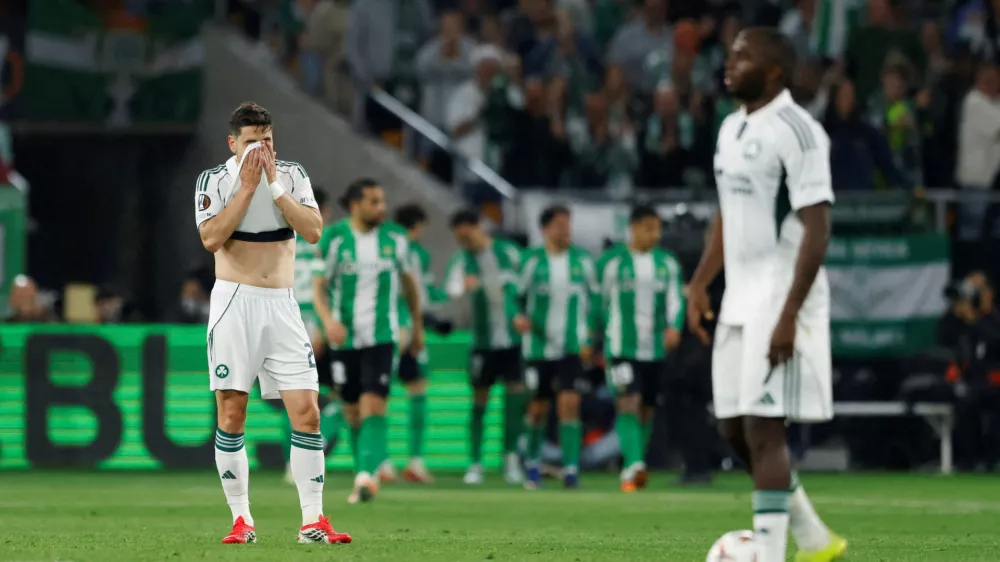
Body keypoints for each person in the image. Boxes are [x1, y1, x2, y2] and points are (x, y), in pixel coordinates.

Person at [685, 28, 847, 562]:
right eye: (730, 56)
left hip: (781, 296)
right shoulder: (731, 128)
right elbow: (728, 214)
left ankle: (771, 554)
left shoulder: (798, 131)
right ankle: (815, 539)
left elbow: (817, 228)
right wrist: (700, 281)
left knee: (763, 429)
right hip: (739, 296)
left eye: (742, 57)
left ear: (774, 70)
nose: (729, 64)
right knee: (732, 426)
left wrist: (789, 314)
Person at [195, 102, 351, 545]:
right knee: (232, 413)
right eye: (251, 142)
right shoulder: (214, 180)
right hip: (235, 303)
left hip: (282, 305)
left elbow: (314, 231)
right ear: (233, 143)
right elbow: (210, 238)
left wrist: (274, 185)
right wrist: (247, 188)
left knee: (308, 411)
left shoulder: (293, 175)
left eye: (266, 140)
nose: (260, 149)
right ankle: (241, 520)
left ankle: (313, 521)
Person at [312, 178, 424, 504]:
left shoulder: (395, 239)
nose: (381, 208)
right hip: (344, 339)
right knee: (351, 411)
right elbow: (318, 288)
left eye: (382, 201)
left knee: (373, 403)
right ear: (356, 204)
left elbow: (410, 286)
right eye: (374, 202)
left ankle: (366, 476)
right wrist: (328, 321)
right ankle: (364, 470)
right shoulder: (334, 238)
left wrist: (416, 325)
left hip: (382, 336)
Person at [595, 205, 684, 493]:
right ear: (633, 227)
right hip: (620, 348)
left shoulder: (667, 263)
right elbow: (599, 301)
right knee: (627, 401)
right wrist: (596, 336)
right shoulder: (612, 262)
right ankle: (634, 465)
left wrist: (674, 327)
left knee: (646, 409)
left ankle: (635, 464)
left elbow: (675, 299)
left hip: (654, 350)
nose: (655, 234)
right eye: (649, 228)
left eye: (658, 229)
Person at [444, 209, 528, 485]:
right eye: (460, 239)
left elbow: (526, 282)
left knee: (515, 398)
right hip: (482, 342)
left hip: (512, 341)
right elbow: (452, 288)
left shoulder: (509, 252)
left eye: (467, 236)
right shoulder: (462, 260)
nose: (465, 242)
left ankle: (511, 459)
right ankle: (476, 463)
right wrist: (464, 286)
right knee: (479, 401)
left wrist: (522, 312)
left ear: (479, 227)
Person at [517, 205, 597, 489]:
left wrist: (589, 336)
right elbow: (514, 295)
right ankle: (532, 464)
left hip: (571, 347)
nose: (566, 231)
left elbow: (595, 301)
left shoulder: (582, 261)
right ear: (546, 229)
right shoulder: (531, 261)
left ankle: (571, 468)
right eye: (560, 225)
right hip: (538, 348)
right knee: (537, 407)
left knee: (569, 404)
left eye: (568, 225)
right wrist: (518, 316)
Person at [373, 203, 447, 484]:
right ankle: (412, 461)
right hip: (402, 327)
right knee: (409, 391)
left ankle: (383, 462)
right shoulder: (413, 251)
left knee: (382, 393)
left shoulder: (382, 241)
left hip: (382, 326)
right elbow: (416, 292)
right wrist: (417, 325)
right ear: (418, 226)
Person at [283, 187, 344, 484]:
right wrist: (323, 326)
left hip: (289, 326)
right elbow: (332, 287)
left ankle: (294, 462)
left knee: (293, 397)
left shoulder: (283, 236)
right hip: (322, 326)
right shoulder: (330, 239)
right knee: (342, 398)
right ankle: (308, 458)